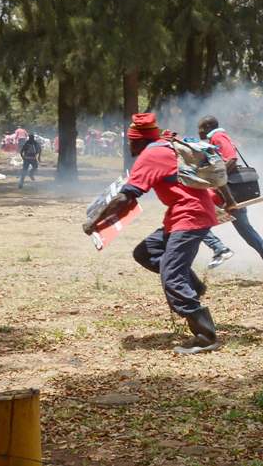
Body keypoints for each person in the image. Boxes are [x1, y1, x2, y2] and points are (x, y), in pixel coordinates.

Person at [84, 113, 222, 355]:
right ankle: (194, 286)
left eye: (130, 142)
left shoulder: (151, 154)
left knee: (172, 276)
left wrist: (95, 221)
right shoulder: (165, 146)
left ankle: (205, 335)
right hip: (185, 215)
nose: (129, 147)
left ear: (138, 141)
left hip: (189, 217)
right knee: (147, 252)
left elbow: (126, 196)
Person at [197, 116, 263, 288]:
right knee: (245, 230)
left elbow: (231, 158)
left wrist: (217, 178)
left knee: (195, 218)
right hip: (228, 193)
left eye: (200, 128)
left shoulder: (217, 137)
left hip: (226, 193)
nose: (199, 131)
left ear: (208, 127)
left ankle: (219, 249)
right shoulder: (215, 139)